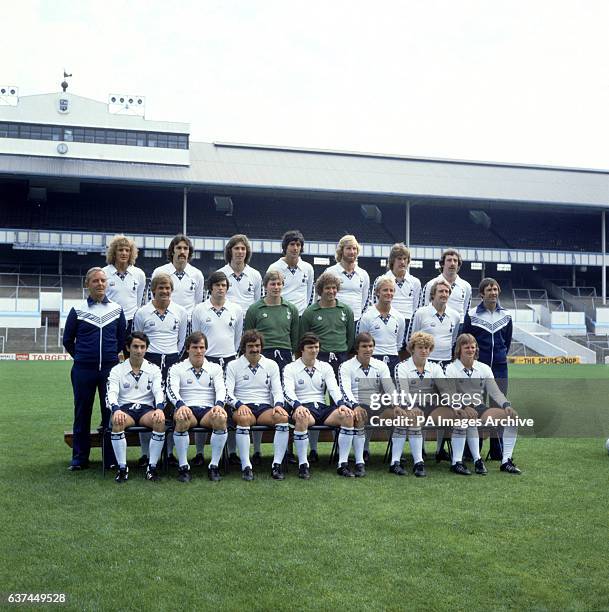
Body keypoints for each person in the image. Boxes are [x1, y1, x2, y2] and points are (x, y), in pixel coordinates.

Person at [63, 267, 125, 471]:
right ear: (87, 284)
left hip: (109, 371)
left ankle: (111, 459)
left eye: (103, 280)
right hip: (83, 370)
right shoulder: (78, 310)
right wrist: (83, 358)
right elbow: (68, 340)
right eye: (95, 281)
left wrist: (109, 359)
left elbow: (121, 340)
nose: (100, 284)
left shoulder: (116, 309)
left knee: (110, 414)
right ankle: (80, 459)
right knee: (82, 413)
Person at [132, 272, 188, 465]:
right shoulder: (142, 313)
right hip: (149, 362)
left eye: (167, 288)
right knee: (148, 404)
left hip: (172, 360)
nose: (164, 291)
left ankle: (169, 453)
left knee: (171, 408)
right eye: (160, 288)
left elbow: (182, 341)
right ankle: (146, 454)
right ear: (153, 290)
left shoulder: (180, 312)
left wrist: (173, 358)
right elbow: (138, 338)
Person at [300, 271, 355, 461]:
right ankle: (313, 449)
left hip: (340, 357)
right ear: (320, 290)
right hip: (318, 356)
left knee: (337, 401)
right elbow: (304, 337)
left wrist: (341, 352)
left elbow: (350, 337)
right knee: (313, 399)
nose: (331, 291)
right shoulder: (310, 312)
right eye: (327, 288)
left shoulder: (345, 310)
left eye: (334, 288)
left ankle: (339, 447)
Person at [445, 334, 521, 474]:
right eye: (466, 347)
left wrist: (506, 405)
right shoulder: (450, 368)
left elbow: (495, 392)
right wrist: (463, 406)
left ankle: (506, 461)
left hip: (479, 407)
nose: (470, 350)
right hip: (456, 407)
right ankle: (458, 462)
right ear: (459, 349)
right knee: (466, 417)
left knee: (512, 418)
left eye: (473, 347)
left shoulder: (484, 368)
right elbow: (449, 394)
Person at [283, 333, 354, 478]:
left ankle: (343, 464)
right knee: (302, 417)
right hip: (304, 407)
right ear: (302, 349)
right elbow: (287, 391)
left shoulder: (325, 366)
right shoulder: (290, 368)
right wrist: (297, 406)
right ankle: (303, 465)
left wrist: (341, 404)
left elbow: (334, 388)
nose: (314, 350)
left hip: (322, 407)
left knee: (347, 415)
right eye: (310, 347)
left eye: (316, 347)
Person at [190, 270, 243, 466]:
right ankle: (199, 452)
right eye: (217, 285)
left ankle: (231, 451)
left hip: (229, 360)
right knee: (205, 404)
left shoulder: (236, 310)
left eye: (224, 285)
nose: (221, 288)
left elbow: (237, 338)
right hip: (207, 360)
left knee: (228, 406)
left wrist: (230, 355)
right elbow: (195, 337)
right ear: (210, 287)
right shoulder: (199, 310)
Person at [225, 330, 289, 481]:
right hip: (243, 406)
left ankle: (277, 465)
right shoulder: (233, 365)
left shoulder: (271, 365)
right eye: (250, 346)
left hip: (264, 407)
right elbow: (227, 393)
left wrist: (279, 404)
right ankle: (246, 466)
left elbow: (278, 390)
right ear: (244, 347)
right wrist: (239, 404)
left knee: (283, 417)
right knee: (244, 419)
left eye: (257, 345)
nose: (254, 349)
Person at [408, 279, 461, 460]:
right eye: (441, 291)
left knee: (443, 406)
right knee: (422, 404)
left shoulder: (455, 315)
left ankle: (440, 449)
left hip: (445, 365)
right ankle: (420, 447)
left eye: (447, 292)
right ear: (433, 294)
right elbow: (412, 337)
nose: (444, 294)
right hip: (425, 364)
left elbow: (453, 340)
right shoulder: (421, 313)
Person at [167, 332, 228, 482]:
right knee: (181, 419)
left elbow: (222, 389)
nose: (199, 351)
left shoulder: (215, 368)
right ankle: (183, 467)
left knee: (221, 418)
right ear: (188, 349)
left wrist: (219, 405)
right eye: (195, 347)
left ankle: (214, 466)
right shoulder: (176, 368)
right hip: (187, 408)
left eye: (202, 347)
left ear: (206, 349)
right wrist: (180, 405)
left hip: (208, 409)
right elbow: (171, 389)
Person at [106, 332, 166, 483]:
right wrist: (116, 409)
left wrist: (159, 408)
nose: (139, 350)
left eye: (142, 347)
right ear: (128, 348)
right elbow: (111, 393)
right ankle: (122, 468)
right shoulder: (117, 370)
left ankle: (151, 468)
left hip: (146, 409)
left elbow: (159, 391)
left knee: (159, 420)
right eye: (135, 346)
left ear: (146, 349)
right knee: (117, 421)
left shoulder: (154, 369)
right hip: (125, 410)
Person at [394, 332, 452, 477]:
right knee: (414, 418)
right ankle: (416, 463)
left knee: (458, 416)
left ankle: (459, 461)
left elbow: (444, 390)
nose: (424, 350)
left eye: (427, 347)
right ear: (412, 348)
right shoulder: (402, 367)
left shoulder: (435, 367)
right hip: (408, 405)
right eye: (420, 347)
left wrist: (456, 406)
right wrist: (412, 406)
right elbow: (403, 392)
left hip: (431, 406)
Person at [338, 332, 395, 473]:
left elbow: (390, 388)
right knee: (360, 414)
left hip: (376, 404)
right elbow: (344, 390)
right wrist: (355, 406)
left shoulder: (381, 366)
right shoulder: (346, 366)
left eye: (371, 346)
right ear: (357, 348)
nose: (368, 349)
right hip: (356, 404)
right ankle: (359, 462)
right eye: (364, 346)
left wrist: (397, 404)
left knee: (396, 414)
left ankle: (396, 462)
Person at [372, 243, 421, 345]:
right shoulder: (381, 280)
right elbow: (375, 304)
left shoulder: (415, 282)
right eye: (399, 258)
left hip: (408, 322)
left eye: (405, 259)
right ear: (392, 261)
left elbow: (416, 307)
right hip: (387, 320)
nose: (402, 262)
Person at [358, 277, 405, 374]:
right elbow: (361, 341)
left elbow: (399, 343)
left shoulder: (399, 317)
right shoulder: (367, 316)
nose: (389, 293)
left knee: (392, 389)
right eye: (385, 290)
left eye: (391, 290)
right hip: (372, 358)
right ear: (377, 292)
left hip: (393, 359)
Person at [102, 234, 146, 339]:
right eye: (120, 250)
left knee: (131, 354)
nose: (124, 253)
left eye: (127, 250)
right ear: (114, 252)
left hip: (132, 323)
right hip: (110, 320)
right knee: (111, 353)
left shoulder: (139, 274)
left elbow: (138, 301)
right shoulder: (104, 273)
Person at [151, 234, 205, 319]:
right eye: (179, 248)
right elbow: (152, 299)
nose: (182, 252)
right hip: (166, 319)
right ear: (172, 251)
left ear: (189, 252)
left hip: (188, 321)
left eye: (185, 248)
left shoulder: (197, 274)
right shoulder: (159, 272)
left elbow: (198, 302)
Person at [267, 230, 314, 316]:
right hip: (280, 315)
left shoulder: (308, 268)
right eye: (292, 244)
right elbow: (268, 293)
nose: (295, 248)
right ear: (285, 247)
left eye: (298, 245)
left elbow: (310, 293)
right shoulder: (274, 268)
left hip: (301, 316)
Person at [324, 234, 370, 323]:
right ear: (341, 251)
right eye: (348, 248)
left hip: (356, 321)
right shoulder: (330, 272)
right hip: (334, 321)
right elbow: (321, 297)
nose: (352, 252)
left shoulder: (363, 274)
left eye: (354, 248)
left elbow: (365, 300)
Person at [420, 249, 471, 324]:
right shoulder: (431, 284)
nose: (452, 263)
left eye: (455, 261)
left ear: (458, 264)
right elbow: (424, 309)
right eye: (449, 260)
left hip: (459, 325)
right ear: (442, 264)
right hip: (436, 324)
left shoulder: (466, 286)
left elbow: (466, 310)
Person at [217, 234, 262, 313]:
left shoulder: (255, 275)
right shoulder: (219, 274)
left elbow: (258, 302)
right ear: (230, 251)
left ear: (246, 252)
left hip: (248, 321)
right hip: (226, 320)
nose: (240, 252)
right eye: (236, 248)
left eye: (243, 249)